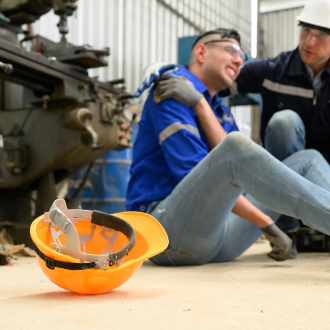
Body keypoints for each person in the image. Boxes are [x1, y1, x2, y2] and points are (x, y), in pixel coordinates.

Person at [126, 28, 330, 266]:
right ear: (202, 52)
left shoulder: (218, 111)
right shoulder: (172, 89)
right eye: (231, 50)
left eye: (241, 54)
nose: (239, 59)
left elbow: (238, 176)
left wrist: (201, 103)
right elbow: (195, 171)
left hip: (218, 235)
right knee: (234, 146)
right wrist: (266, 222)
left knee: (307, 160)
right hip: (167, 234)